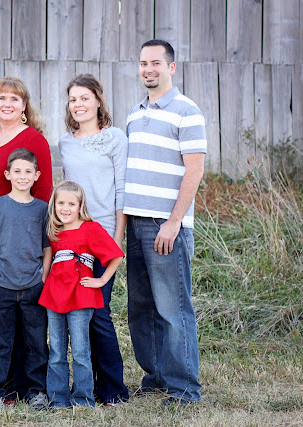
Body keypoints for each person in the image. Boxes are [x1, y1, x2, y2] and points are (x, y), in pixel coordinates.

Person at [124, 39, 206, 405]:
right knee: (142, 308)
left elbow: (194, 171)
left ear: (171, 67)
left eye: (156, 62)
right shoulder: (134, 114)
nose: (148, 69)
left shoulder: (187, 111)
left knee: (173, 309)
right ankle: (156, 376)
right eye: (144, 63)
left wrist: (174, 223)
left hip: (166, 225)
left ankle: (185, 388)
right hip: (136, 222)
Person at [0, 76, 53, 400]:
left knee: (26, 319)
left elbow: (42, 195)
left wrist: (39, 250)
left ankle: (23, 385)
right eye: (1, 98)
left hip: (19, 242)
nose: (7, 104)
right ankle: (1, 384)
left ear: (24, 106)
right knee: (2, 313)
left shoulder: (33, 140)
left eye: (14, 99)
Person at [58, 73, 129, 405]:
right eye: (73, 99)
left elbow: (121, 192)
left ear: (98, 101)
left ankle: (113, 389)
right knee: (79, 314)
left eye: (85, 98)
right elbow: (66, 193)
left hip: (102, 236)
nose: (78, 104)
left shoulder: (115, 138)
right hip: (73, 240)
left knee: (99, 313)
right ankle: (87, 384)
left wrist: (117, 238)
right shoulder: (65, 143)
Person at [0, 148, 52, 409]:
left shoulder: (42, 209)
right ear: (7, 174)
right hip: (3, 285)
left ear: (36, 176)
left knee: (36, 342)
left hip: (33, 285)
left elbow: (47, 247)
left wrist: (43, 276)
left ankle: (36, 391)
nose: (22, 176)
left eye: (28, 172)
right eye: (17, 171)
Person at [38, 180, 124, 407]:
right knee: (57, 351)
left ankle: (83, 398)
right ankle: (57, 398)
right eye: (61, 203)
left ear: (80, 206)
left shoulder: (91, 229)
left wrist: (101, 280)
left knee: (80, 351)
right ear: (54, 204)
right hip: (55, 295)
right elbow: (48, 258)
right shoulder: (54, 231)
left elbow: (116, 255)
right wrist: (43, 280)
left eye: (71, 204)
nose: (65, 209)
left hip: (81, 295)